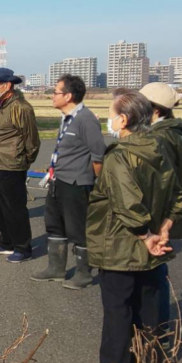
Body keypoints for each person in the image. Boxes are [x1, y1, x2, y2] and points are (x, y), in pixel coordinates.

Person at [85, 90, 182, 363]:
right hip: (151, 245)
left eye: (111, 113)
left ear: (124, 119)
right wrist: (164, 228)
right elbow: (178, 193)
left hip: (121, 243)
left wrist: (146, 235)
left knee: (118, 307)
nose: (108, 119)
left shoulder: (119, 155)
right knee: (149, 305)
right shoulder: (159, 146)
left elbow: (127, 203)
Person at [32, 74, 106, 289]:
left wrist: (92, 180)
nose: (52, 96)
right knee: (54, 224)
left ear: (68, 96)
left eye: (55, 92)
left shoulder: (86, 119)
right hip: (59, 179)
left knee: (78, 229)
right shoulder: (66, 118)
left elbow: (98, 155)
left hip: (76, 183)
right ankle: (56, 268)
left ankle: (84, 273)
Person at [139, 82, 182, 344]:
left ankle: (156, 334)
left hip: (156, 216)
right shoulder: (166, 132)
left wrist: (163, 225)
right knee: (155, 275)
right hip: (160, 215)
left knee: (152, 277)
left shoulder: (159, 137)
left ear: (153, 109)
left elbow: (165, 185)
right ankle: (156, 331)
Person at [0, 67, 41, 263]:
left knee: (14, 207)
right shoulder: (2, 104)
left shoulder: (20, 107)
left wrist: (25, 159)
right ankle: (6, 241)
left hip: (12, 164)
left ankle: (23, 247)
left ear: (7, 85)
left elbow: (31, 139)